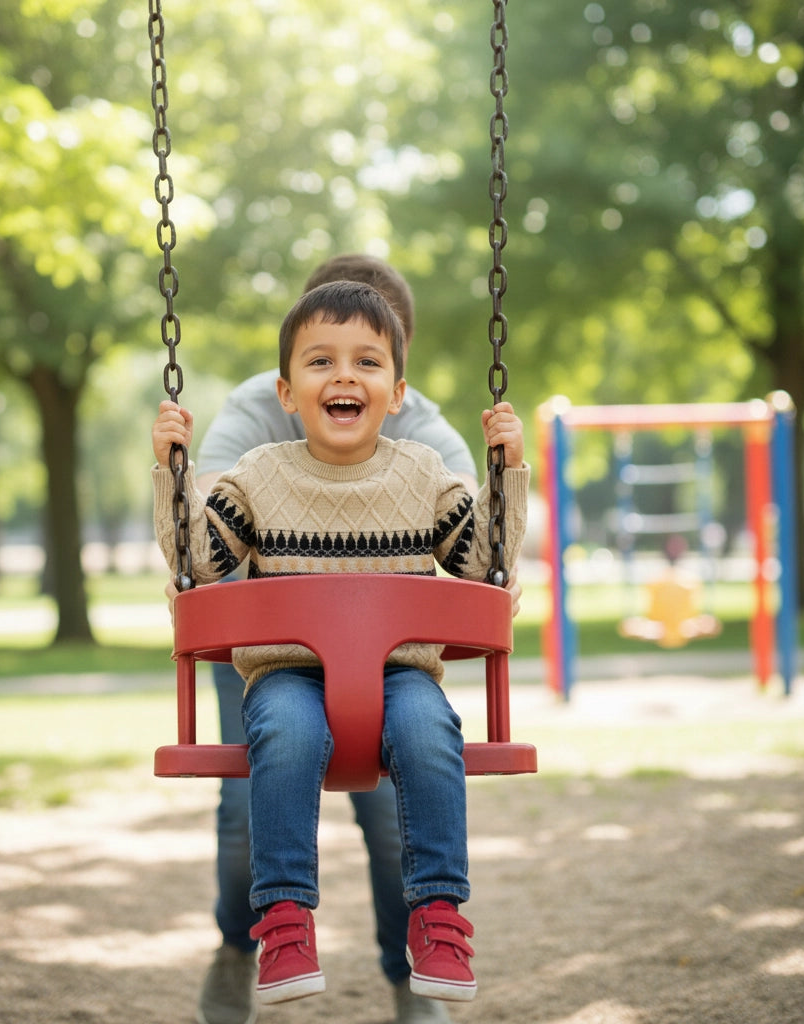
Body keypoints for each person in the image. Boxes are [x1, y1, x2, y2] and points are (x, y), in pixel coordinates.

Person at [152, 281, 529, 1011]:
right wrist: (172, 468)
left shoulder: (424, 472)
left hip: (401, 676)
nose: (345, 376)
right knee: (285, 733)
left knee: (428, 730)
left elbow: (483, 566)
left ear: (398, 392)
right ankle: (285, 920)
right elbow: (199, 564)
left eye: (367, 362)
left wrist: (506, 471)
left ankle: (439, 917)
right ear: (286, 392)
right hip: (288, 676)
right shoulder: (257, 475)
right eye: (321, 362)